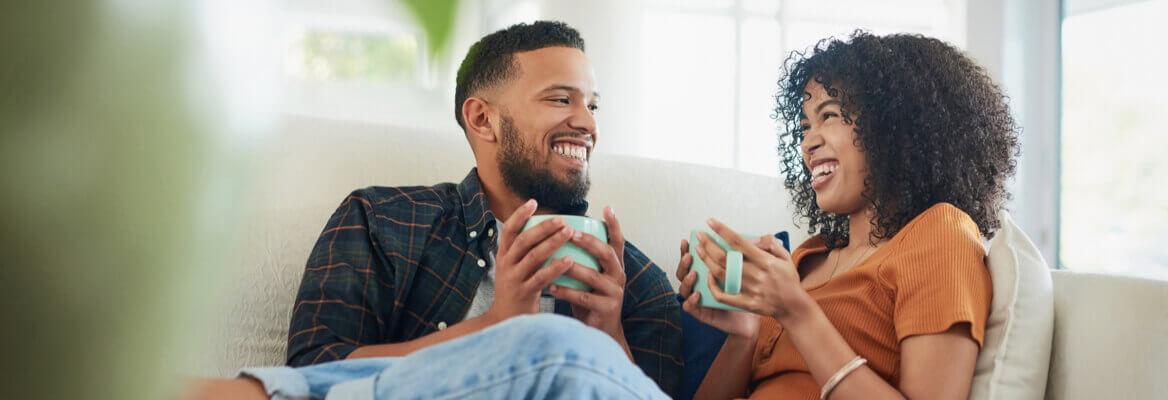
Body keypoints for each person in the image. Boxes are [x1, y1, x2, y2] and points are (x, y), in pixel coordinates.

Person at [186, 21, 681, 399]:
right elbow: (317, 369)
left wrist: (608, 332)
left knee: (569, 348)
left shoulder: (633, 281)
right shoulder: (383, 221)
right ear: (482, 118)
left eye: (593, 106)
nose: (586, 123)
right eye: (560, 99)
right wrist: (494, 328)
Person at [677, 31, 1019, 399]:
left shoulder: (939, 236)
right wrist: (742, 335)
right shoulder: (808, 258)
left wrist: (796, 312)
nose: (808, 142)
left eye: (829, 116)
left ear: (895, 128)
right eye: (805, 125)